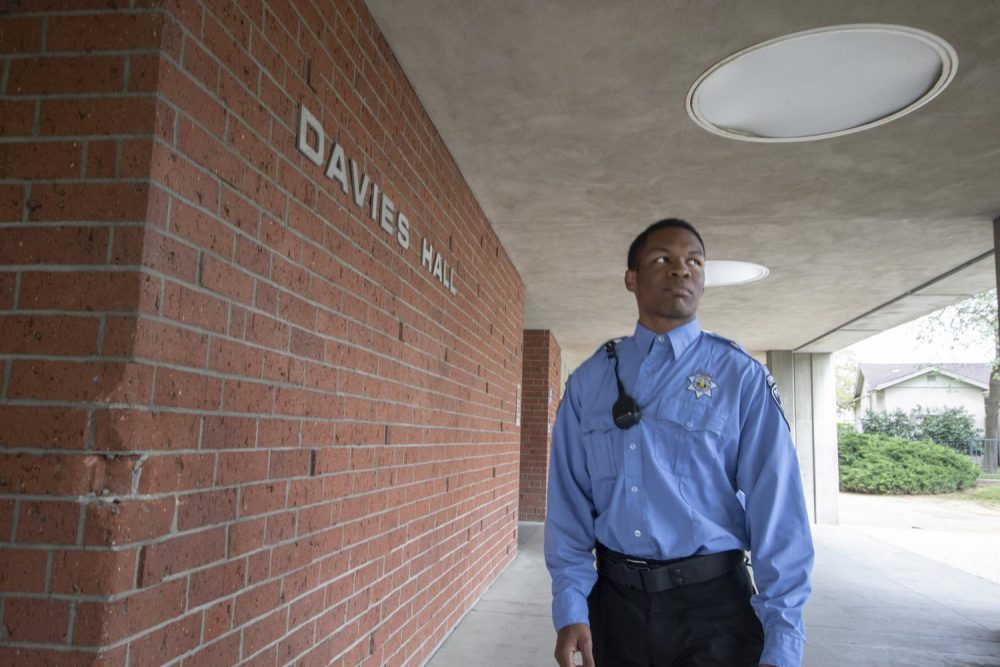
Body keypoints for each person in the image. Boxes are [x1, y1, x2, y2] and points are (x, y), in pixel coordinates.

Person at [544, 218, 813, 667]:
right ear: (631, 279)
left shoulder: (740, 376)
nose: (681, 270)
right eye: (662, 259)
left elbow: (778, 509)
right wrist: (571, 605)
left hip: (714, 611)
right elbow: (568, 507)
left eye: (694, 261)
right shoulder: (590, 382)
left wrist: (783, 641)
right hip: (615, 606)